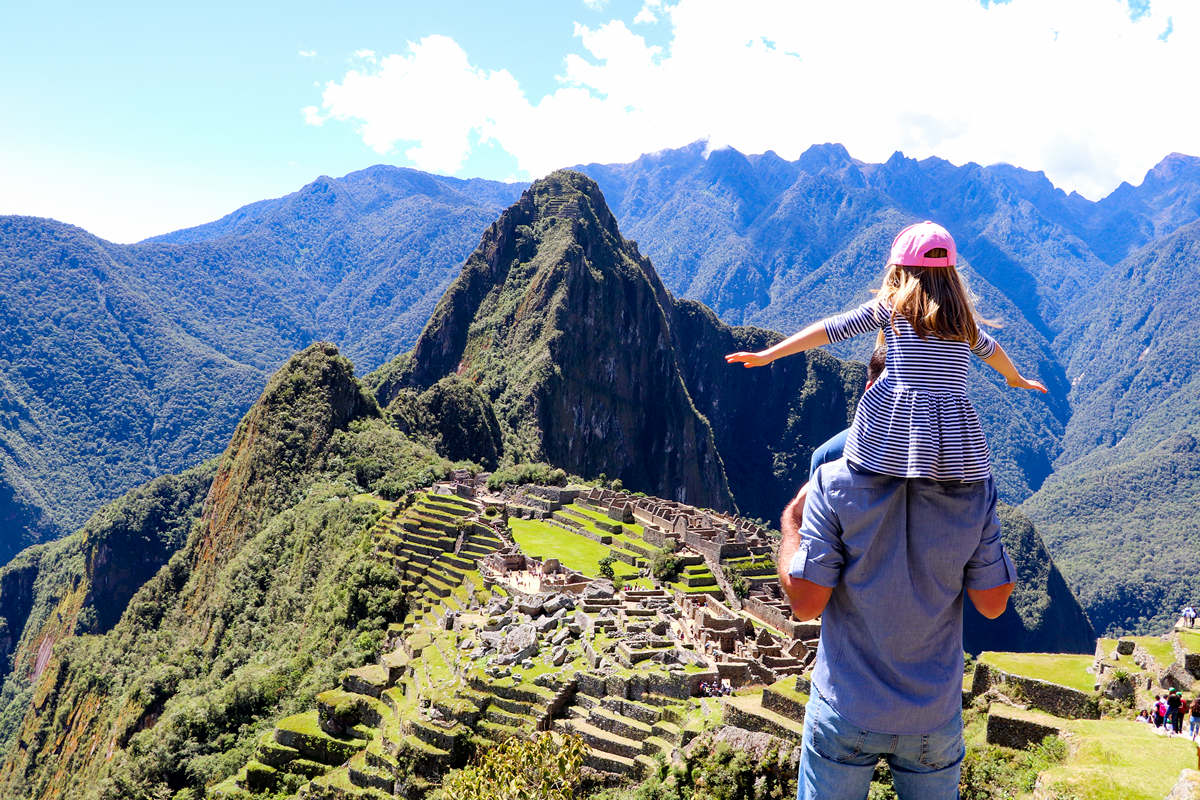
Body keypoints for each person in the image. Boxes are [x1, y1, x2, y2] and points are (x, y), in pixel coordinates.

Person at [737, 222, 1033, 800]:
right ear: (951, 277)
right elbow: (994, 605)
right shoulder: (976, 490)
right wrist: (1019, 380)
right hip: (932, 717)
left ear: (899, 271)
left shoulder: (887, 314)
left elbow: (829, 331)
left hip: (846, 708)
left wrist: (771, 353)